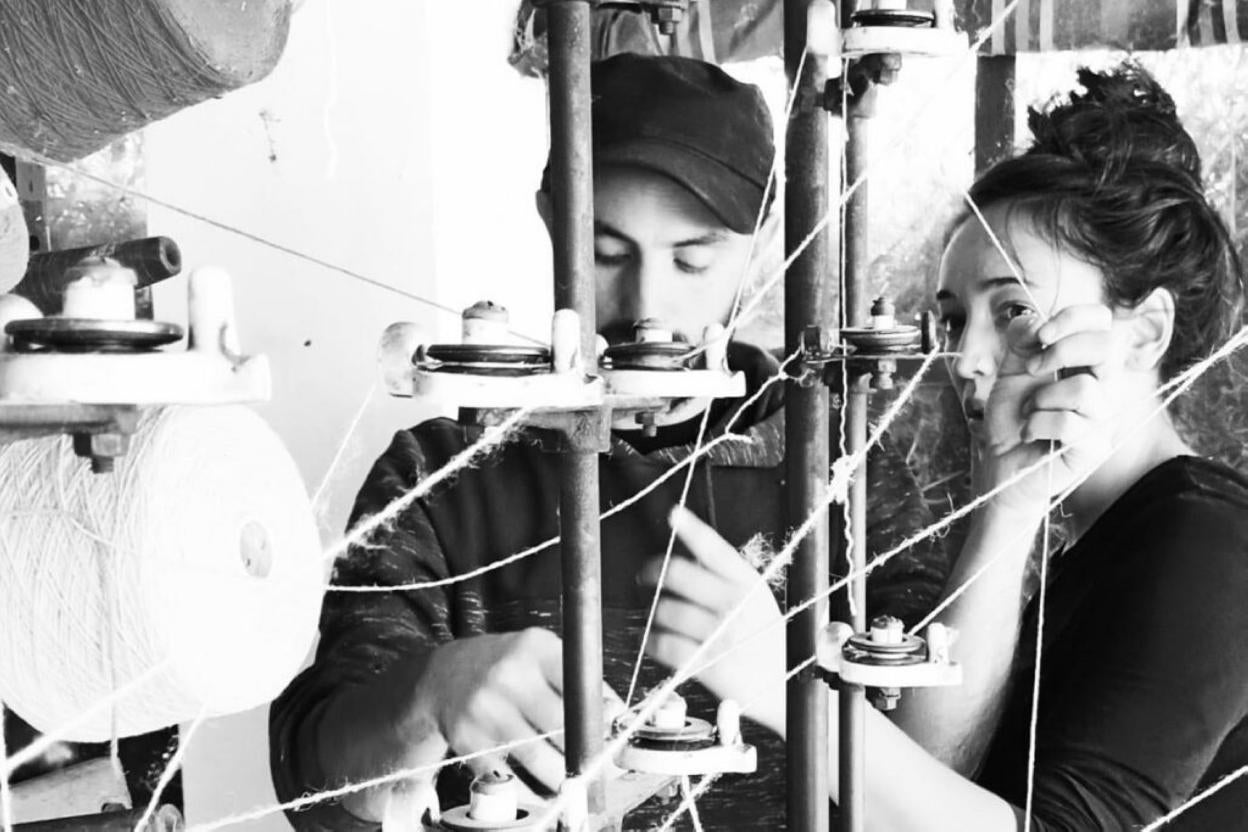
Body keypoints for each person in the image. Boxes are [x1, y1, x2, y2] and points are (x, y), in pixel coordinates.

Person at [269, 53, 945, 830]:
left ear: (760, 239)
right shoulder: (441, 478)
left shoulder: (843, 469)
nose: (647, 305)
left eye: (692, 259)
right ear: (550, 219)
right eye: (606, 252)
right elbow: (316, 793)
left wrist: (782, 676)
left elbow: (949, 773)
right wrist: (429, 691)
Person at [673, 62, 1248, 830]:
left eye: (1012, 310)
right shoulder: (1081, 531)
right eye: (952, 320)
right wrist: (1005, 512)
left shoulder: (1211, 543)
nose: (966, 359)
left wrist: (786, 687)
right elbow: (930, 781)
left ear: (1144, 332)